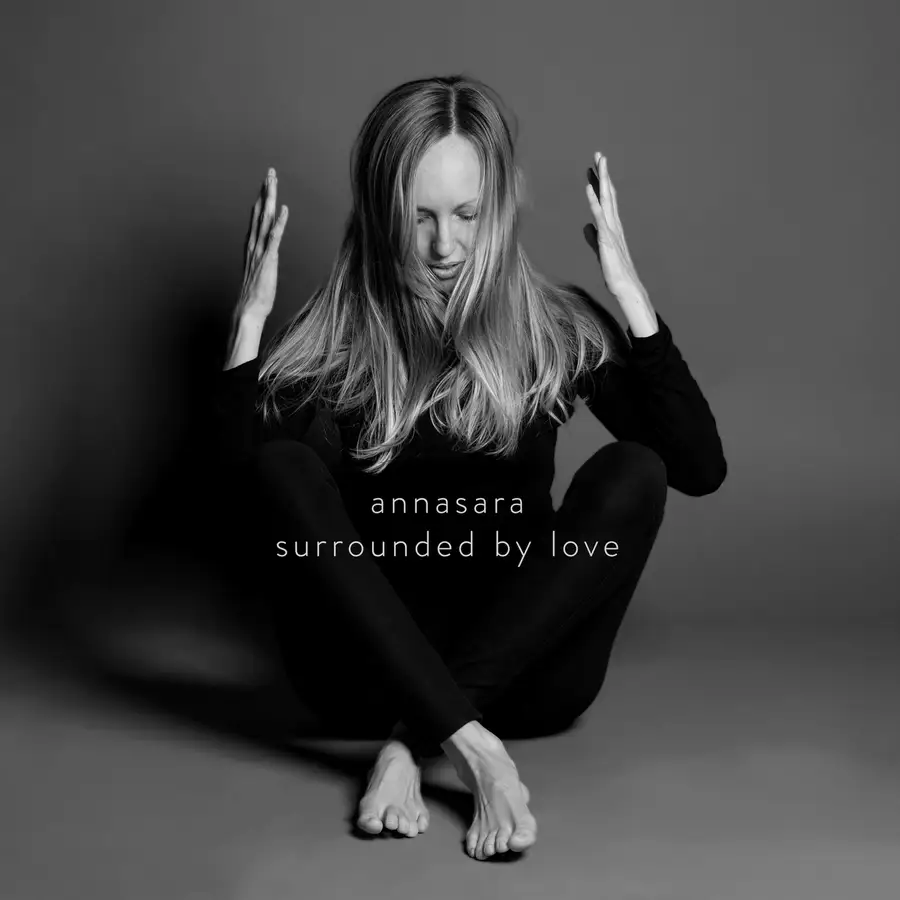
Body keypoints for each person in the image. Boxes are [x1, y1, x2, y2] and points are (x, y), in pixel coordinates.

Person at [211, 74, 726, 861]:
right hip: (361, 679)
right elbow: (240, 501)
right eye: (418, 216)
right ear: (381, 213)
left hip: (527, 682)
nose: (443, 247)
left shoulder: (556, 325)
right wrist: (248, 325)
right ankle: (473, 747)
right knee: (281, 466)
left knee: (634, 469)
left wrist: (631, 299)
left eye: (465, 214)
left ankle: (411, 743)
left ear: (499, 211)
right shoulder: (335, 334)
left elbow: (697, 468)